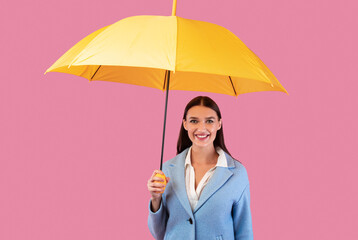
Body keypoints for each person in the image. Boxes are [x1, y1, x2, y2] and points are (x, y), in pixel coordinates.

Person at [147, 96, 253, 240]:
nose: (202, 128)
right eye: (194, 121)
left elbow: (244, 231)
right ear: (185, 124)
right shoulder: (168, 169)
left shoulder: (237, 173)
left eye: (209, 121)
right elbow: (159, 233)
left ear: (219, 124)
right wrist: (156, 199)